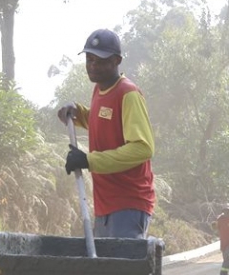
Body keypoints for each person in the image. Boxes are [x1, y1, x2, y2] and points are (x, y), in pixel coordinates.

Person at [57, 28, 155, 239]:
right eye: (90, 59)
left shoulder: (128, 93)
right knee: (109, 270)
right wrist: (79, 113)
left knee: (122, 269)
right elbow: (104, 121)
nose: (93, 66)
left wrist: (88, 160)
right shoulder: (100, 90)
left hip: (128, 202)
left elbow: (142, 148)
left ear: (116, 61)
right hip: (105, 204)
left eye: (100, 61)